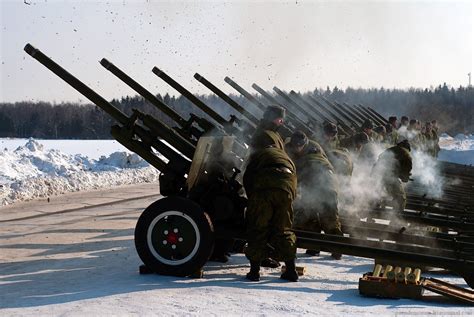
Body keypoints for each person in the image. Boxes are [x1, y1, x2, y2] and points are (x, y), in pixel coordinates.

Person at [243, 106, 299, 282]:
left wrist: (252, 197)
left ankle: (254, 272)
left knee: (258, 226)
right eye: (279, 120)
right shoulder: (269, 138)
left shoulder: (265, 139)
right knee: (284, 228)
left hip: (265, 184)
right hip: (287, 184)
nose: (281, 123)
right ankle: (291, 270)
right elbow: (293, 178)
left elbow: (249, 173)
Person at [286, 131, 343, 260]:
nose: (297, 148)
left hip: (325, 184)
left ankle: (337, 249)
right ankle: (314, 246)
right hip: (319, 183)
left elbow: (296, 174)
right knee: (310, 217)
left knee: (329, 218)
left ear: (305, 144)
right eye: (295, 146)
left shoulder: (308, 157)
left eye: (300, 146)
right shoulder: (307, 147)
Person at [372, 140, 412, 212]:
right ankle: (398, 216)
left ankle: (373, 212)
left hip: (376, 174)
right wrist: (405, 177)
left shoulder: (390, 149)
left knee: (377, 195)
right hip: (388, 177)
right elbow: (406, 170)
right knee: (401, 197)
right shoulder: (406, 153)